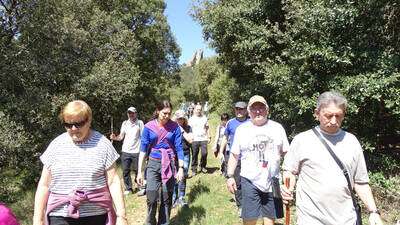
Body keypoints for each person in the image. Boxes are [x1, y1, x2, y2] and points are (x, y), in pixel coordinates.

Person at [281, 91, 383, 225]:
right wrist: (288, 188)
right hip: (311, 219)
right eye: (328, 115)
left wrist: (373, 212)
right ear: (317, 113)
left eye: (338, 116)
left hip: (346, 219)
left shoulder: (352, 141)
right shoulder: (302, 140)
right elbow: (290, 171)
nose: (334, 121)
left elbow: (360, 182)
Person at [33, 100, 127, 225]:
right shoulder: (55, 145)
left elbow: (113, 181)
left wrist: (122, 216)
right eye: (68, 124)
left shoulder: (103, 144)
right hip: (60, 216)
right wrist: (38, 219)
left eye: (79, 124)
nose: (73, 129)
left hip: (96, 216)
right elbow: (44, 185)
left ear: (89, 121)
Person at [226, 95, 289, 225]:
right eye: (254, 108)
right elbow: (234, 155)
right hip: (249, 180)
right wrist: (230, 176)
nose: (258, 111)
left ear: (267, 110)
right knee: (249, 220)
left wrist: (288, 173)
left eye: (261, 107)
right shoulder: (242, 130)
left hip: (273, 180)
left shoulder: (277, 128)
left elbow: (287, 153)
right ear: (249, 112)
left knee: (270, 221)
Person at [136, 100, 184, 225]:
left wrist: (181, 168)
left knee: (166, 198)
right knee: (151, 198)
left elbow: (179, 148)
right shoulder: (148, 127)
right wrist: (139, 172)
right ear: (158, 111)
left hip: (169, 164)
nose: (167, 116)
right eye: (164, 113)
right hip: (153, 163)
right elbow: (142, 149)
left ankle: (164, 223)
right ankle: (150, 222)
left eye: (169, 113)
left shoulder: (175, 127)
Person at [219, 101, 249, 213]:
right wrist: (221, 152)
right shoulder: (230, 123)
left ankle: (250, 202)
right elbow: (225, 138)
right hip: (234, 157)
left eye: (241, 109)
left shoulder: (251, 122)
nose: (239, 111)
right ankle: (240, 205)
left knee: (248, 181)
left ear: (246, 110)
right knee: (237, 181)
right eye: (237, 109)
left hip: (248, 158)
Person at [110, 106, 145, 195]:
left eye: (133, 113)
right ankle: (128, 188)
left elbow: (143, 137)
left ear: (136, 113)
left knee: (138, 170)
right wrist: (115, 138)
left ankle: (140, 186)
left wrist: (144, 150)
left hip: (137, 151)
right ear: (127, 114)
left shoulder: (140, 123)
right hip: (125, 151)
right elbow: (121, 137)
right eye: (129, 113)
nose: (131, 114)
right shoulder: (125, 123)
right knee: (125, 170)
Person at [172, 109, 193, 208]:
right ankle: (174, 197)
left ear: (184, 119)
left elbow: (191, 140)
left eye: (182, 118)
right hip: (173, 154)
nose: (180, 120)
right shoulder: (171, 127)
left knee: (183, 175)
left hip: (185, 153)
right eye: (178, 118)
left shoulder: (188, 128)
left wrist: (182, 130)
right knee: (174, 175)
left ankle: (181, 197)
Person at [188, 104, 211, 175]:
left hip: (203, 138)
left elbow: (207, 127)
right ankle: (194, 169)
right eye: (197, 109)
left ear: (201, 110)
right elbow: (189, 129)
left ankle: (202, 166)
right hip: (194, 139)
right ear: (194, 110)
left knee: (204, 153)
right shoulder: (191, 119)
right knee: (194, 154)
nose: (198, 111)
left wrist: (209, 136)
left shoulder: (204, 118)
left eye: (200, 109)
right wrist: (189, 137)